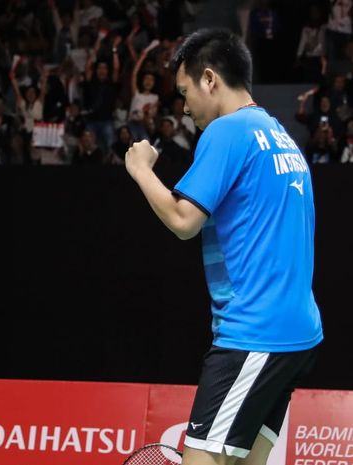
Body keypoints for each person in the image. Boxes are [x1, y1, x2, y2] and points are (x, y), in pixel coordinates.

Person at [125, 29, 323, 465]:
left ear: (209, 79)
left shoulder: (227, 132)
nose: (186, 107)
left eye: (185, 92)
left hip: (253, 332)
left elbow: (183, 221)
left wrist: (140, 169)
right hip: (298, 333)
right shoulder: (280, 136)